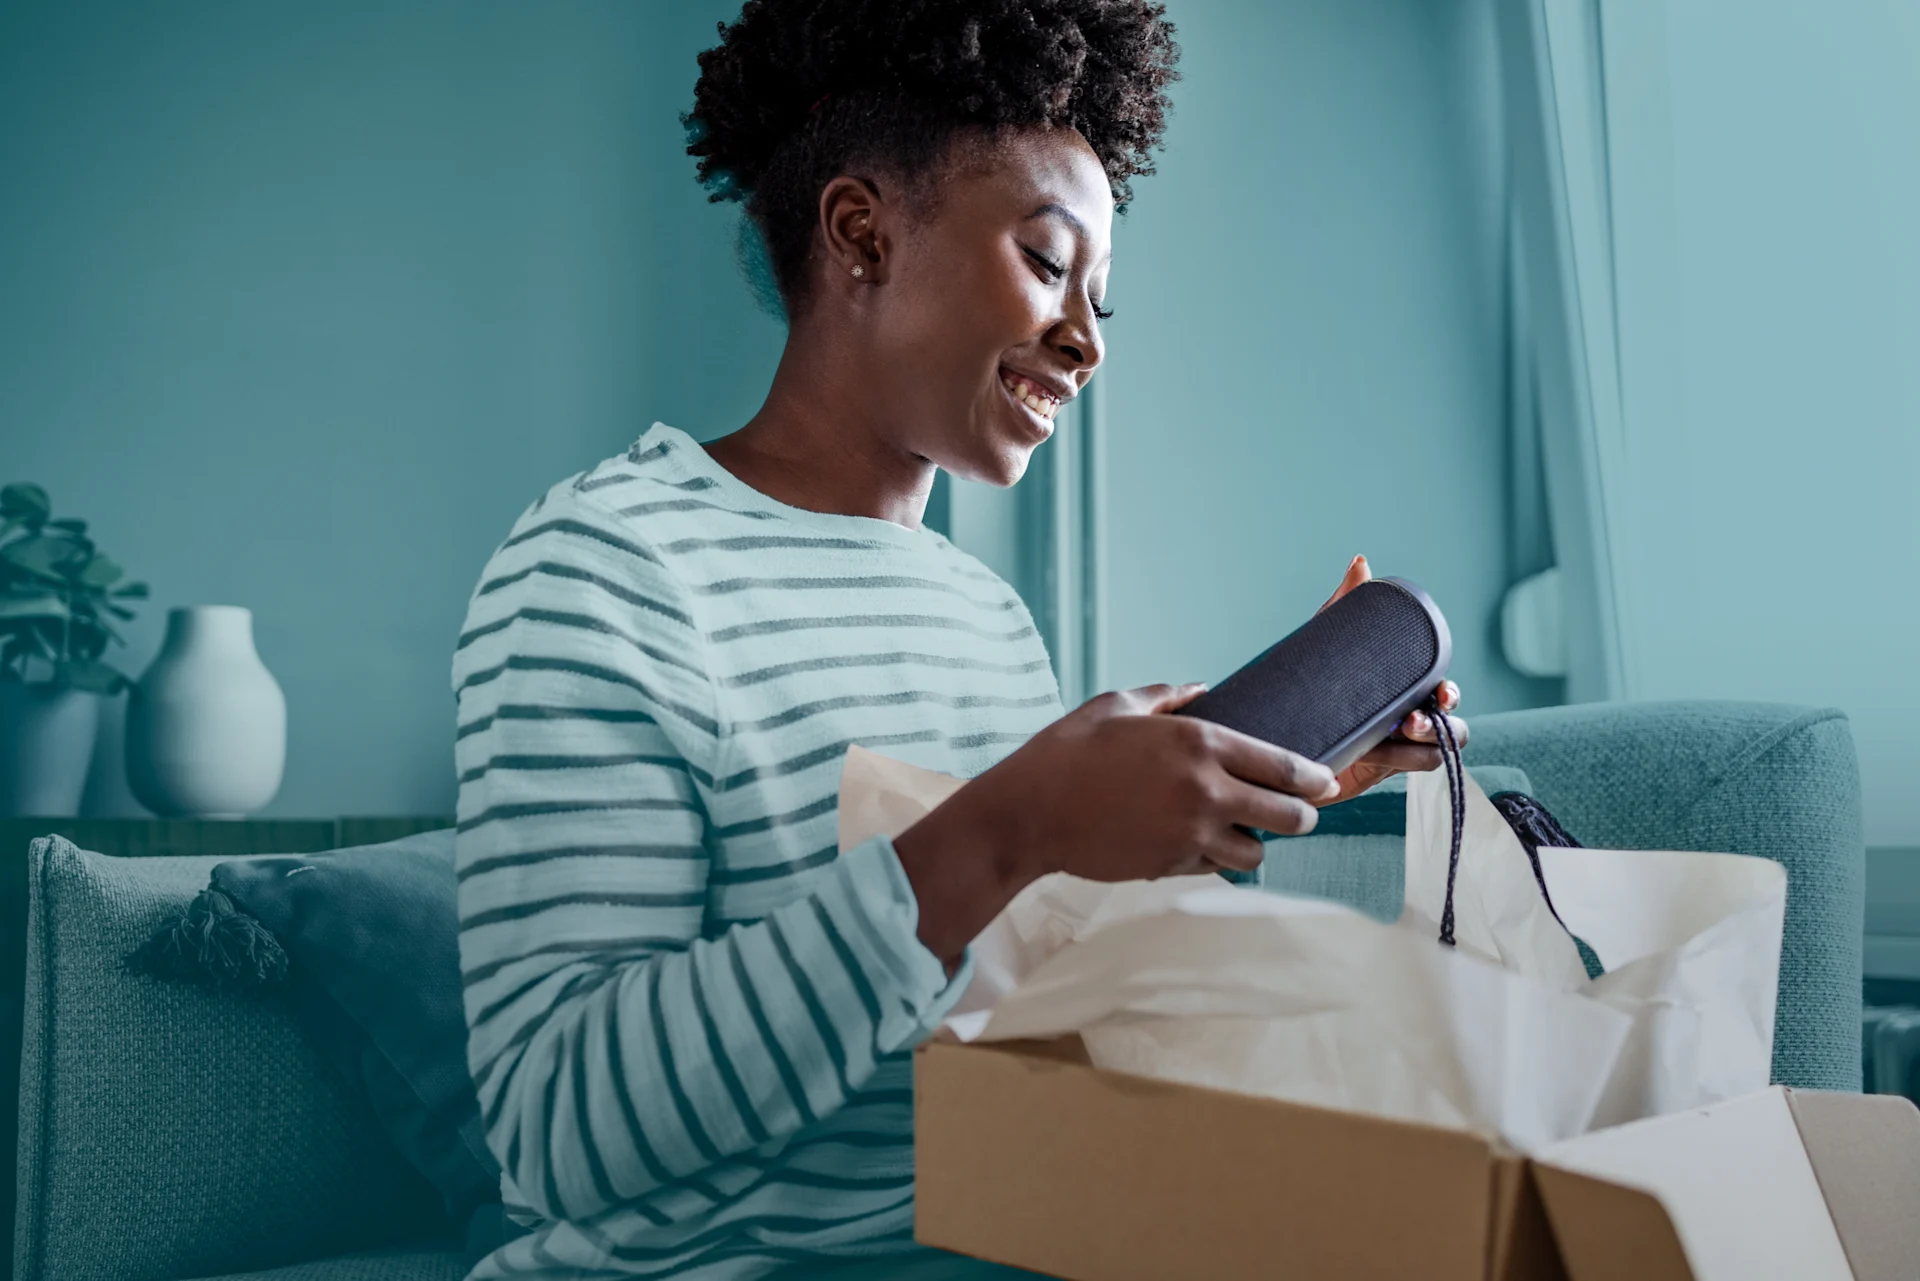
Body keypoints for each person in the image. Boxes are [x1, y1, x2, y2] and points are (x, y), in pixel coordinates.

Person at [450, 2, 1465, 1277]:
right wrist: (1013, 821)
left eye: (1102, 300)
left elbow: (1008, 992)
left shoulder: (980, 613)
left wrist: (1218, 806)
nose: (1088, 342)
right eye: (1049, 266)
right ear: (862, 234)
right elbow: (564, 1130)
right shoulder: (609, 567)